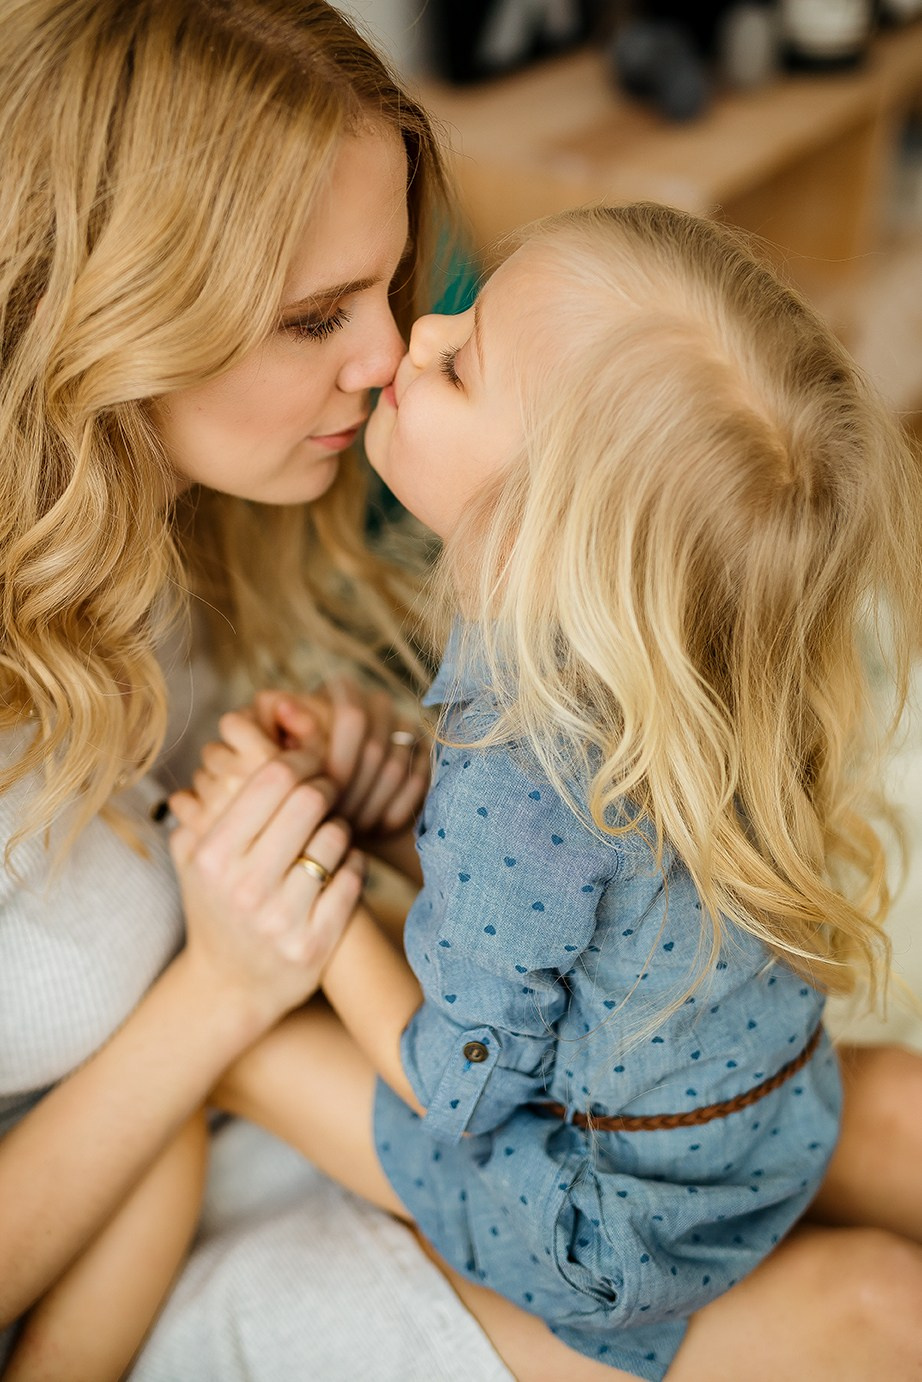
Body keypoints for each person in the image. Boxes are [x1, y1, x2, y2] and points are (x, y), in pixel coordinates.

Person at [177, 202, 922, 1381]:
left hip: (606, 1225)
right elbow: (593, 907)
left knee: (248, 1047)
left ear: (540, 528)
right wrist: (396, 817)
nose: (415, 334)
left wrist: (307, 893)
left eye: (460, 360)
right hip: (770, 1139)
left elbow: (457, 1085)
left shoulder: (514, 756)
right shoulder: (686, 673)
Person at [0, 3, 517, 1379]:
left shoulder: (166, 515)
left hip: (239, 1131)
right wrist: (222, 989)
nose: (387, 354)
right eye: (312, 317)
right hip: (100, 1249)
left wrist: (348, 796)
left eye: (390, 284)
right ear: (114, 307)